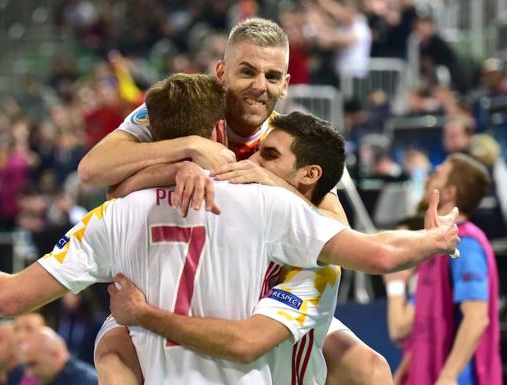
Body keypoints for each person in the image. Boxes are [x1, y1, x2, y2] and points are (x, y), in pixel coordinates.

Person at [0, 74, 460, 385]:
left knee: (111, 343)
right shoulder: (266, 202)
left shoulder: (113, 215)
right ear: (220, 130)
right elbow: (381, 255)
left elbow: (8, 296)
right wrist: (436, 238)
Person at [77, 17, 385, 385]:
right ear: (221, 72)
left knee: (369, 369)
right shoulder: (184, 107)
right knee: (113, 358)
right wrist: (187, 151)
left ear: (286, 84)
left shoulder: (288, 140)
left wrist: (270, 179)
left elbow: (338, 236)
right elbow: (92, 171)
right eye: (247, 72)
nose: (259, 86)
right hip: (167, 282)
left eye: (272, 77)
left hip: (257, 288)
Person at [386, 154, 502, 385]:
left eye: (437, 174)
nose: (428, 179)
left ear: (449, 192)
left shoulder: (466, 245)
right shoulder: (438, 247)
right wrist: (403, 375)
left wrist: (449, 376)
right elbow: (421, 328)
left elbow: (477, 318)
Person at [20, 327, 97, 385]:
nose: (29, 373)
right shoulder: (54, 379)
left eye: (33, 364)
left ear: (55, 355)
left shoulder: (85, 381)